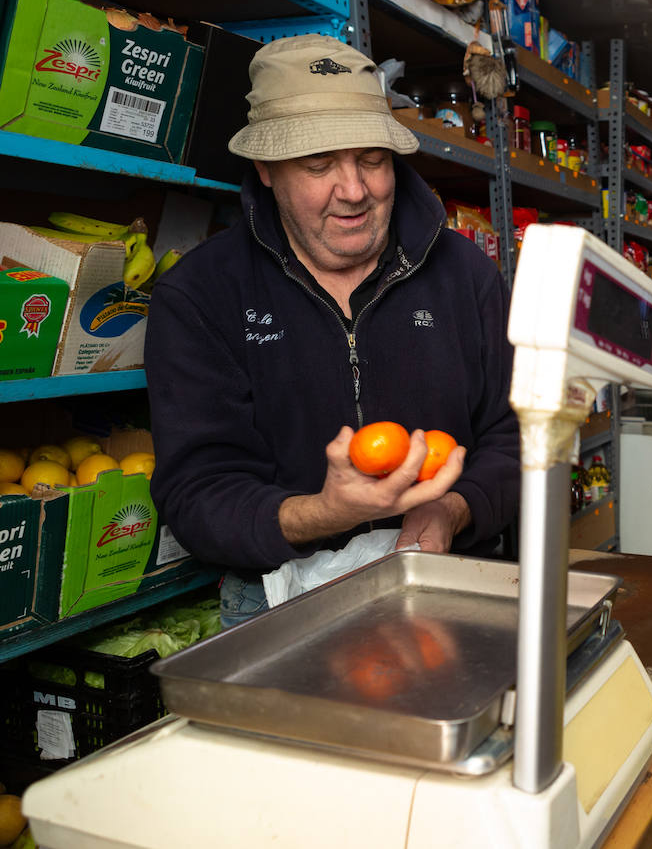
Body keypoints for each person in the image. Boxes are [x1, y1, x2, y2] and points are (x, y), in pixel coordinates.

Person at [145, 35, 520, 626]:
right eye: (319, 164)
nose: (354, 190)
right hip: (279, 604)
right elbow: (195, 493)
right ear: (265, 169)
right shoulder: (201, 295)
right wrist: (323, 511)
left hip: (453, 577)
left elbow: (515, 436)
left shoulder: (466, 276)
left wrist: (453, 507)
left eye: (371, 158)